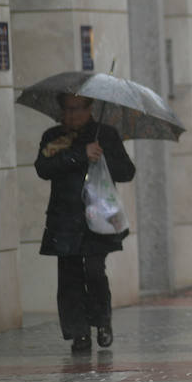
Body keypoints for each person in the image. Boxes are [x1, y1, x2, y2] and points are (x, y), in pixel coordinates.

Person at [35, 93, 136, 353]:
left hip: (98, 217)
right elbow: (43, 168)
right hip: (64, 218)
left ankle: (102, 322)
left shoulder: (106, 134)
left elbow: (127, 172)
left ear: (89, 109)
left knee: (94, 270)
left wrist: (102, 157)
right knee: (69, 276)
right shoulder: (53, 137)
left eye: (77, 109)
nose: (71, 115)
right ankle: (78, 332)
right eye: (67, 109)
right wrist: (80, 154)